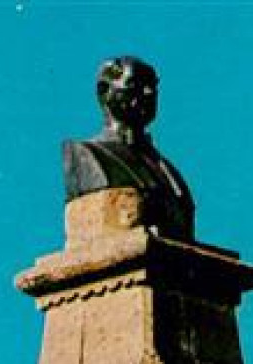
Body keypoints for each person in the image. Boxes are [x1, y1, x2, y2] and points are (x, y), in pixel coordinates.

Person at [62, 56, 195, 240]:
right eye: (136, 84)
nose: (149, 93)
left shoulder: (168, 170)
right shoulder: (88, 155)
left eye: (152, 86)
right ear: (105, 92)